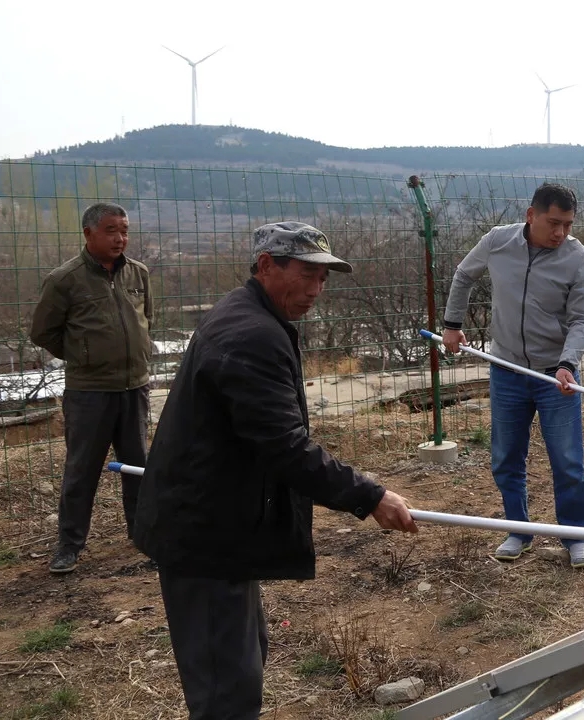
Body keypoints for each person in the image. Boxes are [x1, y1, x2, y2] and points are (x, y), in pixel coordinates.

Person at [132, 220, 417, 720]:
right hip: (204, 535)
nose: (316, 290)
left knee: (241, 666)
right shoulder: (251, 335)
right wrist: (370, 496)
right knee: (226, 693)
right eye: (307, 275)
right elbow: (285, 448)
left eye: (323, 279)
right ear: (266, 265)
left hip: (216, 523)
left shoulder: (248, 315)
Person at [442, 183, 584, 568]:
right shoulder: (498, 241)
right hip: (507, 371)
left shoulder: (578, 257)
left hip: (556, 377)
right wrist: (452, 325)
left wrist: (568, 363)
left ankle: (575, 536)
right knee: (506, 457)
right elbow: (463, 275)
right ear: (531, 215)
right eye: (554, 223)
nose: (560, 233)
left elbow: (582, 319)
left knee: (567, 461)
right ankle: (518, 530)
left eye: (568, 225)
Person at [29, 202, 152, 574]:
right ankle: (69, 545)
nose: (120, 238)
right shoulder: (65, 279)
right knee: (82, 470)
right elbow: (43, 332)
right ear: (89, 233)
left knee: (137, 467)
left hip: (134, 387)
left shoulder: (138, 273)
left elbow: (147, 319)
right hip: (90, 392)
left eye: (124, 231)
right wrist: (83, 355)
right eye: (111, 231)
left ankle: (144, 536)